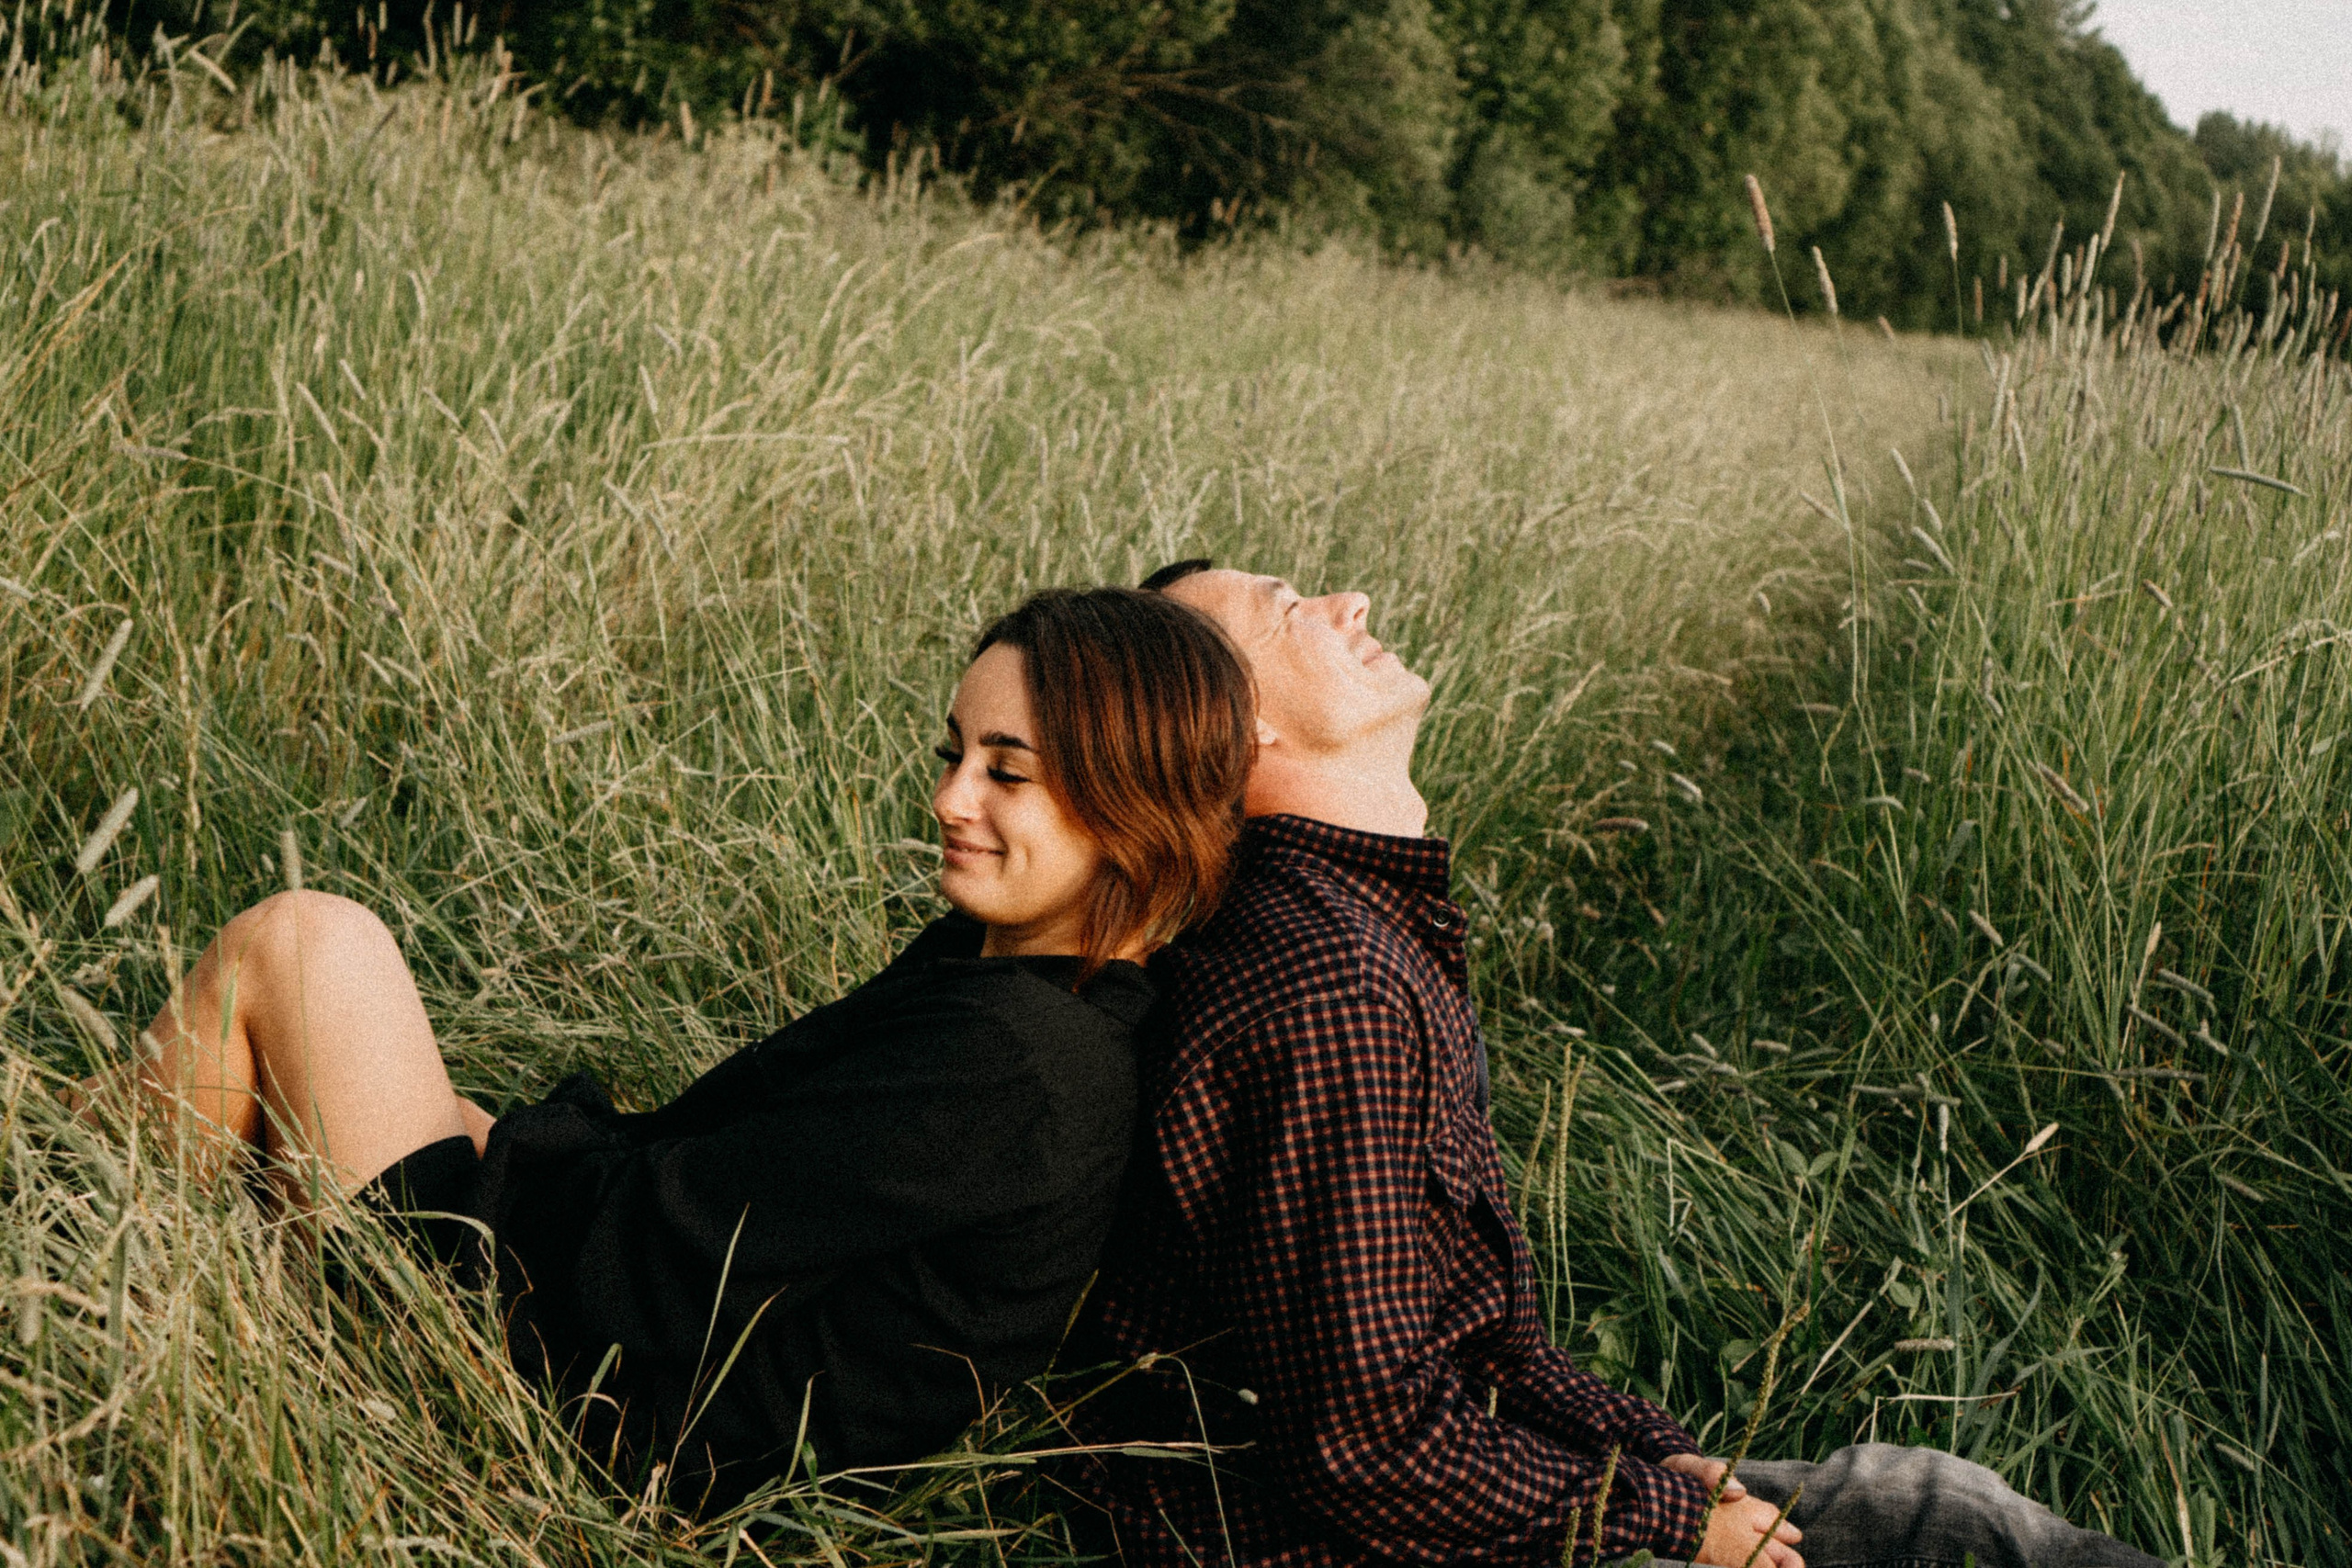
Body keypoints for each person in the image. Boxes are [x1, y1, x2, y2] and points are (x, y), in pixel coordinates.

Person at [1057, 560, 2165, 1568]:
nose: (1349, 602)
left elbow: (1484, 1342)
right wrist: (1663, 1518)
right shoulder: (1326, 986)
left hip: (1431, 1495)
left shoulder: (1360, 925)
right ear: (1237, 731)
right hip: (1318, 1543)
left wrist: (1656, 1457)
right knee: (1941, 1522)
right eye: (1291, 612)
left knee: (1934, 1506)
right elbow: (1362, 1447)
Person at [105, 586, 1255, 1512]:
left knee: (305, 945)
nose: (953, 798)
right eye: (955, 752)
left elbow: (653, 1260)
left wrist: (501, 1154)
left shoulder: (1023, 1062)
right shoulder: (1024, 976)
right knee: (386, 1073)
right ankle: (122, 1193)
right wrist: (495, 1135)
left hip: (577, 1420)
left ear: (1131, 799)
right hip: (628, 1368)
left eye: (1008, 773)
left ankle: (98, 1222)